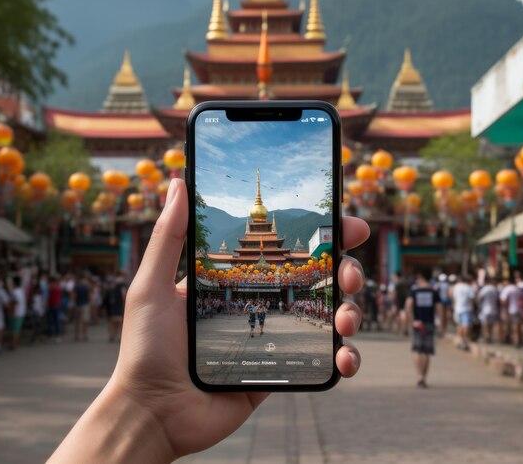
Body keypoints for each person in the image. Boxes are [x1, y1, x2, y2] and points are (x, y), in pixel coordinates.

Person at [49, 179, 368, 463]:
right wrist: (143, 406)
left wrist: (142, 412)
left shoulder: (276, 259)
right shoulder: (239, 261)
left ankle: (257, 331)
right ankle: (257, 331)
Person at [405, 267, 441, 388]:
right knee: (426, 352)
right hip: (429, 323)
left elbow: (408, 306)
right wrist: (441, 324)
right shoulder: (433, 291)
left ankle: (419, 375)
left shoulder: (415, 291)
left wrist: (411, 321)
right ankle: (424, 377)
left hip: (417, 323)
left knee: (417, 350)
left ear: (420, 277)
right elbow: (440, 309)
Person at [452, 275, 475, 350]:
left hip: (457, 308)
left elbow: (451, 295)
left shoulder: (456, 286)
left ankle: (460, 340)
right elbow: (472, 298)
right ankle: (465, 340)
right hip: (466, 309)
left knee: (459, 325)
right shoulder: (468, 287)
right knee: (466, 325)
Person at [104, 273, 127, 343]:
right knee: (120, 323)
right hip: (119, 307)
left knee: (112, 323)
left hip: (112, 307)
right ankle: (120, 337)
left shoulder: (111, 286)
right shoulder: (122, 285)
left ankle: (112, 336)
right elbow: (124, 294)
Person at [500, 276, 521, 346]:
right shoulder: (518, 289)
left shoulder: (507, 289)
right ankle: (517, 340)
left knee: (508, 326)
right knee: (517, 326)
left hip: (509, 310)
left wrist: (504, 308)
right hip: (518, 310)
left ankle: (509, 339)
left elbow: (503, 300)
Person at [477, 276, 499, 343]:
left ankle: (486, 337)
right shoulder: (495, 289)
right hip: (493, 309)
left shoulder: (485, 289)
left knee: (485, 324)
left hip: (485, 309)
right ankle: (489, 336)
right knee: (491, 324)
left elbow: (480, 298)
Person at [9, 275, 27, 350]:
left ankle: (13, 344)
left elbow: (14, 303)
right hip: (21, 312)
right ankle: (14, 343)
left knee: (14, 330)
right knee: (17, 330)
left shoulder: (15, 292)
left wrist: (11, 312)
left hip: (16, 313)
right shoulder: (21, 291)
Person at [73, 273, 91, 342]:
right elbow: (89, 297)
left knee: (77, 321)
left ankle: (77, 335)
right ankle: (85, 335)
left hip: (78, 304)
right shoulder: (86, 287)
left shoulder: (76, 286)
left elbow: (73, 296)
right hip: (85, 305)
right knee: (85, 321)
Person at [48, 276, 63, 342]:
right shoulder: (58, 288)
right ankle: (56, 335)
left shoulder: (53, 288)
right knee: (56, 321)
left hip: (54, 306)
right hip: (56, 305)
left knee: (55, 321)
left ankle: (56, 335)